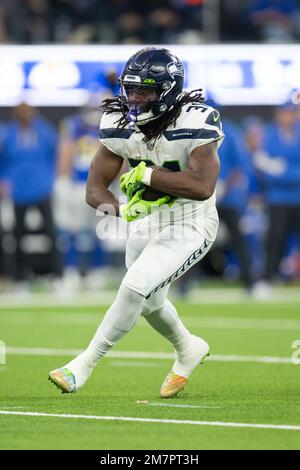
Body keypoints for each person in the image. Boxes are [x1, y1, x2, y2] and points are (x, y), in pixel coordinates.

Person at [49, 46, 224, 398]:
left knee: (135, 287)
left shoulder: (195, 121)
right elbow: (95, 189)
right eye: (130, 90)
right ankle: (188, 348)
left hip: (191, 223)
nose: (135, 99)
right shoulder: (119, 123)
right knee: (150, 300)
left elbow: (202, 187)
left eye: (145, 91)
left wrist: (147, 176)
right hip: (147, 222)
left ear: (168, 92)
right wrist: (119, 211)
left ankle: (83, 364)